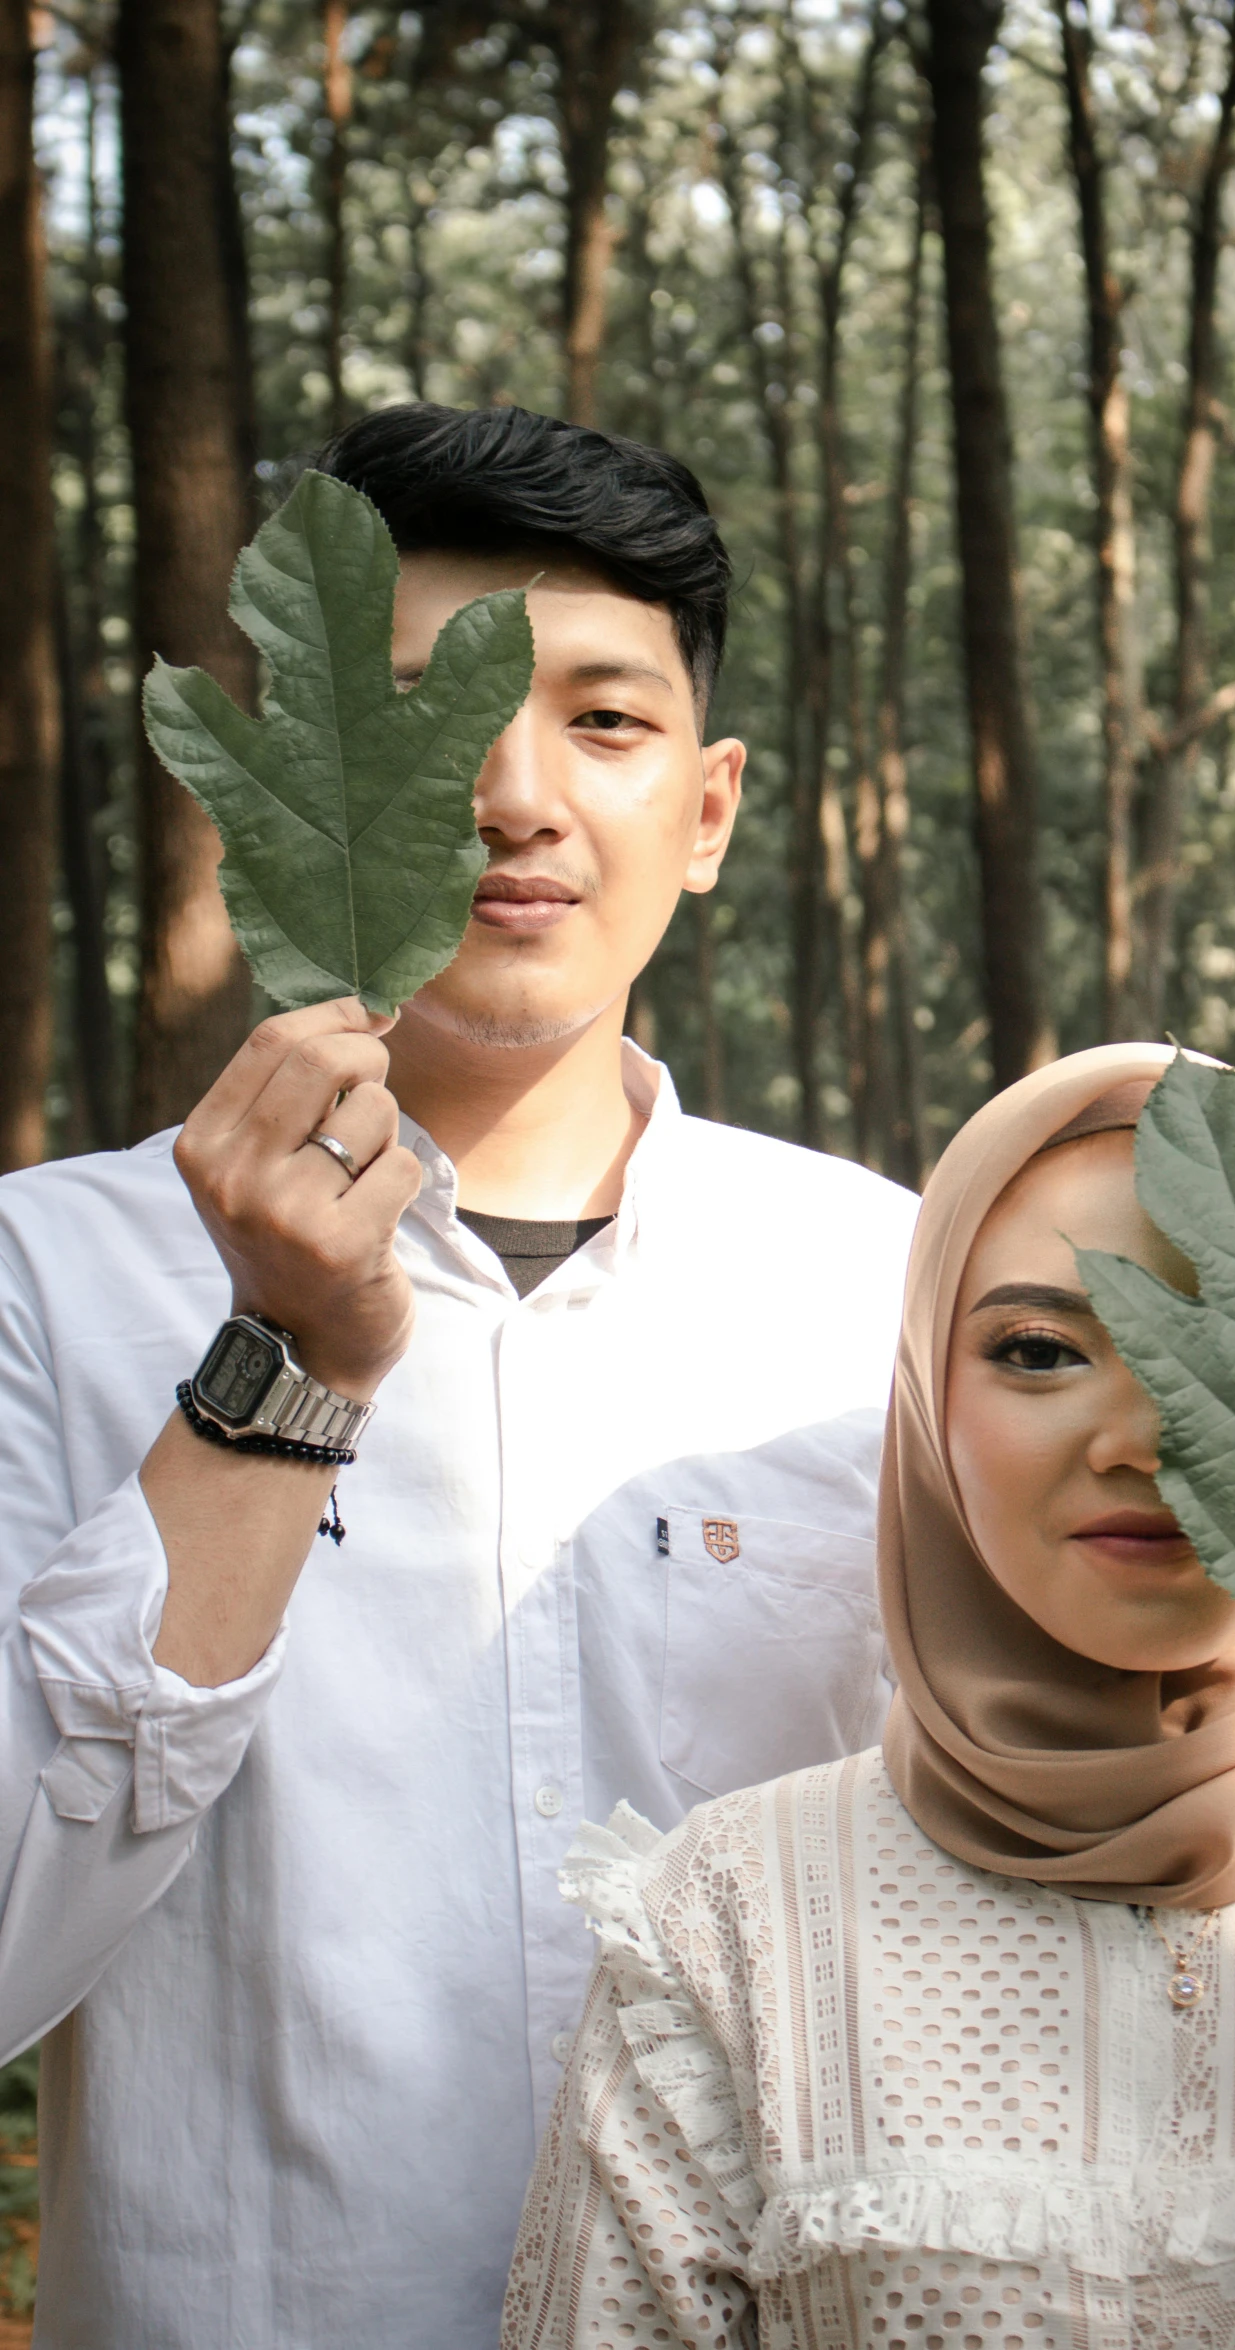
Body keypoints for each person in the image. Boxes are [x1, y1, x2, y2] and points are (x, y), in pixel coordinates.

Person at [0, 403, 919, 2350]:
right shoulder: (47, 1284)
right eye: (424, 719)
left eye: (603, 717)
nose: (514, 792)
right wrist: (278, 1371)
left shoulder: (885, 1284)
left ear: (714, 801)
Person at [506, 1041, 1235, 2350]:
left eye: (1231, 1363)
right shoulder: (731, 1923)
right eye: (1038, 1350)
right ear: (921, 1403)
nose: (1137, 1439)